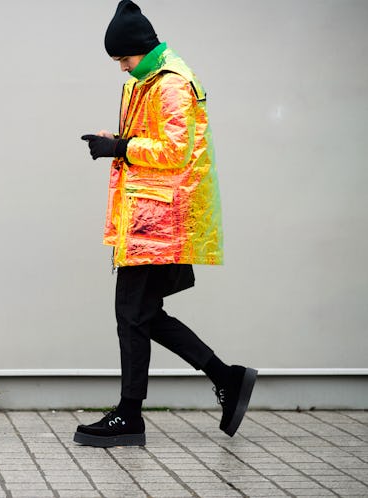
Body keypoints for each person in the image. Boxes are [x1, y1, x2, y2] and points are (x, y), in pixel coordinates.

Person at [76, 0, 256, 448]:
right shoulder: (150, 79)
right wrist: (117, 143)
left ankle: (130, 416)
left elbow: (174, 151)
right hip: (147, 215)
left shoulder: (172, 83)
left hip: (159, 220)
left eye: (123, 58)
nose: (121, 67)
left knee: (132, 315)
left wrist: (119, 147)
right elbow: (150, 139)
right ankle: (226, 377)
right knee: (141, 314)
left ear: (140, 47)